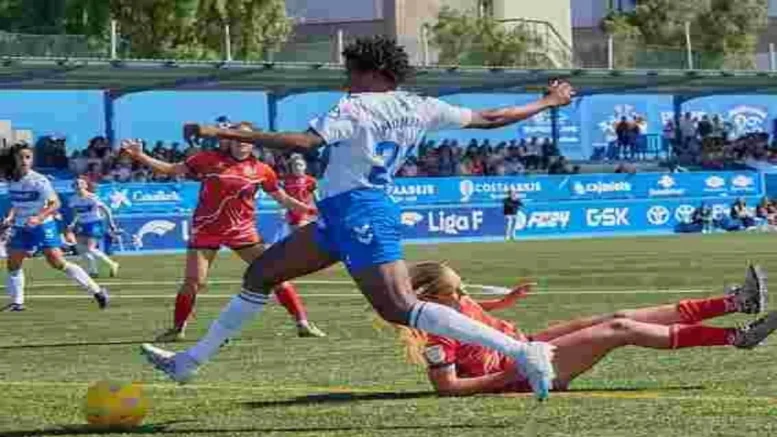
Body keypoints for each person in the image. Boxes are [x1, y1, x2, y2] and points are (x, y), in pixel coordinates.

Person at [140, 36, 574, 400]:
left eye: (351, 73)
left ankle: (521, 351)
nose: (347, 82)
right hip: (342, 215)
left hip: (361, 211)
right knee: (262, 274)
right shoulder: (422, 106)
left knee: (401, 308)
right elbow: (493, 118)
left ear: (373, 72)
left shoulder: (355, 108)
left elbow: (303, 142)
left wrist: (226, 133)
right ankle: (189, 362)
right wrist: (548, 101)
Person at [397, 262, 774, 396]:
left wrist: (505, 303)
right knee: (621, 328)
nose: (464, 295)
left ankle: (734, 302)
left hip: (525, 345)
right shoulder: (437, 334)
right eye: (456, 292)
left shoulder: (454, 304)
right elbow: (448, 389)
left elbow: (474, 311)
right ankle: (737, 337)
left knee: (619, 314)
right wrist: (515, 371)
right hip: (522, 372)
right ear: (431, 299)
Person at [121, 122, 325, 341]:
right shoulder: (207, 159)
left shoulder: (262, 170)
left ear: (254, 143)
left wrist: (313, 210)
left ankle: (302, 323)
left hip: (243, 232)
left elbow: (282, 199)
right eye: (237, 138)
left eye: (246, 140)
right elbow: (172, 170)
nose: (241, 143)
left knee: (275, 275)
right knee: (193, 282)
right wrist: (140, 156)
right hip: (206, 230)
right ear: (229, 139)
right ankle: (177, 329)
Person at [0, 143, 109, 312]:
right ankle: (17, 302)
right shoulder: (11, 179)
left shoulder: (39, 180)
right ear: (14, 159)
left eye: (28, 157)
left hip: (42, 225)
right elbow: (18, 203)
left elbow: (55, 203)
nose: (24, 160)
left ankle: (97, 290)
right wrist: (10, 217)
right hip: (21, 226)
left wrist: (39, 217)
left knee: (57, 262)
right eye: (20, 157)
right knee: (13, 263)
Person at [67, 177, 120, 277]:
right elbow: (75, 213)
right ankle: (93, 271)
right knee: (81, 248)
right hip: (82, 224)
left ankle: (112, 264)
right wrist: (73, 223)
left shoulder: (92, 197)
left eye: (80, 184)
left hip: (94, 223)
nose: (78, 186)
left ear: (85, 186)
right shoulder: (73, 199)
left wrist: (111, 223)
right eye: (76, 184)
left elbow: (106, 209)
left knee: (90, 248)